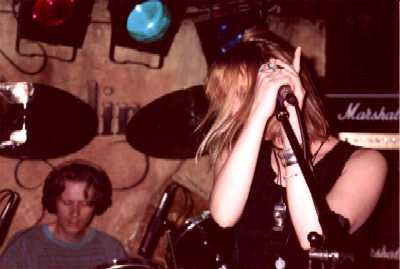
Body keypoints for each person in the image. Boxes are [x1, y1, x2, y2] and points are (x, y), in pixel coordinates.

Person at [196, 25, 387, 269]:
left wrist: (291, 114)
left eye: (238, 95)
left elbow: (314, 237)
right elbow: (223, 216)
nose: (228, 110)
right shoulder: (237, 152)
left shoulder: (366, 163)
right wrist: (257, 117)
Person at [0, 160, 128, 269]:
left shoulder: (110, 249)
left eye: (85, 204)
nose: (75, 213)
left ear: (96, 205)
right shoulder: (25, 243)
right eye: (67, 203)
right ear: (53, 202)